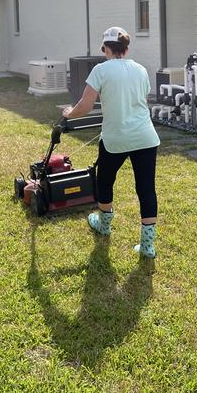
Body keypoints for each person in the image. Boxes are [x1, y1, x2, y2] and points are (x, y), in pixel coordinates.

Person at [62, 27, 160, 258]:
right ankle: (147, 246)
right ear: (126, 49)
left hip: (116, 138)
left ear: (106, 48)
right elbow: (142, 101)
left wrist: (68, 114)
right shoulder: (140, 69)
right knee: (146, 189)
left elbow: (85, 106)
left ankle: (104, 225)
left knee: (104, 181)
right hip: (146, 136)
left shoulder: (100, 70)